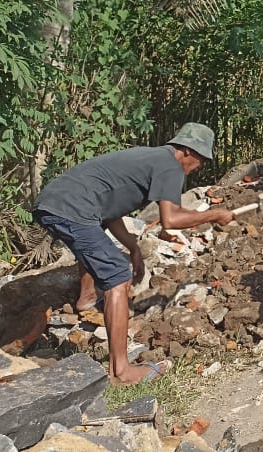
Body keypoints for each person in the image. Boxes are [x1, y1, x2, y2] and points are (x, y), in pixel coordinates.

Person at [33, 124, 234, 385]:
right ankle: (121, 372)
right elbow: (170, 219)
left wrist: (133, 247)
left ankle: (87, 297)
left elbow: (110, 212)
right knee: (117, 276)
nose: (199, 167)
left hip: (58, 202)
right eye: (201, 160)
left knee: (99, 241)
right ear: (187, 150)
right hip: (71, 207)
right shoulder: (169, 165)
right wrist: (215, 214)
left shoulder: (151, 158)